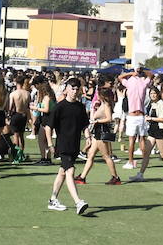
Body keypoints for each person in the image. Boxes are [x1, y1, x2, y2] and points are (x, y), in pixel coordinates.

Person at [45, 77, 89, 214]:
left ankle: (53, 200)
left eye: (77, 89)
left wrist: (88, 136)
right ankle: (78, 202)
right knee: (70, 171)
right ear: (66, 90)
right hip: (63, 145)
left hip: (74, 146)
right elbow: (48, 127)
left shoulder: (80, 107)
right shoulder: (59, 107)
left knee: (62, 172)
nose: (75, 91)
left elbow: (84, 125)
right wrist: (50, 144)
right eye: (73, 88)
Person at [78, 84, 122, 185]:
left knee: (106, 156)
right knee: (90, 155)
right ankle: (82, 177)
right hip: (98, 131)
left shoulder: (106, 104)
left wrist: (97, 121)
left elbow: (109, 118)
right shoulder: (102, 104)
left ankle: (115, 177)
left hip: (101, 131)